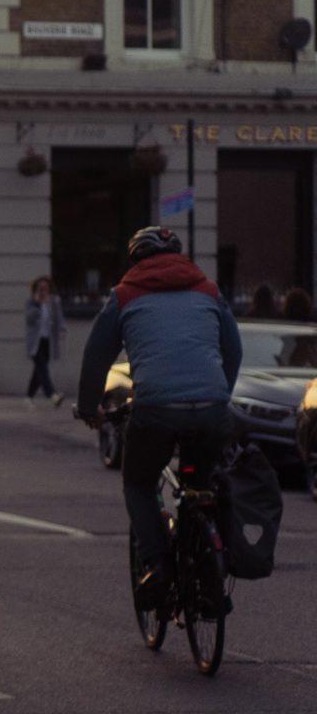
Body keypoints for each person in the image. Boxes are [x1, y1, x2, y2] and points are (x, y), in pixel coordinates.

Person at [77, 227, 243, 615]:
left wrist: (89, 409)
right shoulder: (209, 292)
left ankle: (158, 566)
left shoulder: (123, 296)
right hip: (213, 407)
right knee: (201, 484)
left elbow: (96, 358)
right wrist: (219, 394)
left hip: (155, 409)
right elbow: (232, 349)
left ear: (135, 261)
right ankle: (210, 575)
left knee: (138, 482)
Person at [23, 276, 67, 408]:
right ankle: (53, 395)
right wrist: (38, 304)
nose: (43, 291)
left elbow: (59, 317)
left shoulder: (54, 301)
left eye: (45, 288)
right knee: (42, 368)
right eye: (40, 289)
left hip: (48, 341)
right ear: (36, 290)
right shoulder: (31, 302)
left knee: (39, 370)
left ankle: (28, 396)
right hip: (35, 342)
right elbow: (29, 319)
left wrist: (62, 329)